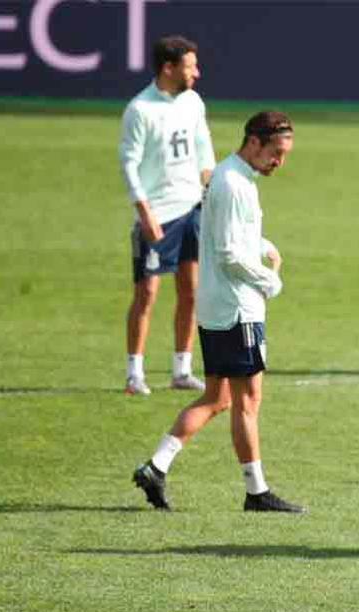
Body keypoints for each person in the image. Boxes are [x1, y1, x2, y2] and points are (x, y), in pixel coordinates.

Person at [132, 111, 301, 514]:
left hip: (218, 304)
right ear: (254, 142)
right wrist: (268, 280)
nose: (279, 161)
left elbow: (226, 235)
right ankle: (256, 491)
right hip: (236, 307)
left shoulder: (232, 177)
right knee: (247, 401)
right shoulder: (231, 183)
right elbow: (227, 254)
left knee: (218, 397)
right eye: (275, 152)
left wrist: (260, 243)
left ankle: (156, 467)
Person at [119, 35, 216, 395]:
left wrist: (210, 192)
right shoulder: (140, 110)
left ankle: (181, 369)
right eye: (190, 66)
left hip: (192, 207)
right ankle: (134, 374)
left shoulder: (192, 102)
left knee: (191, 292)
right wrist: (144, 212)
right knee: (147, 294)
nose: (197, 73)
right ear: (169, 68)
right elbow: (128, 164)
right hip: (159, 213)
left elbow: (203, 148)